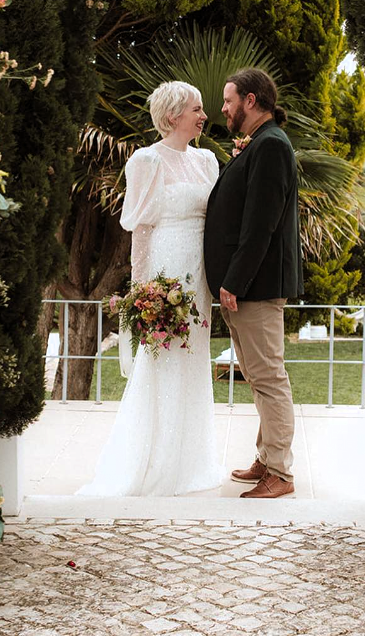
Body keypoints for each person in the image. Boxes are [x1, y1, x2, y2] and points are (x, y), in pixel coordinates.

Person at [76, 81, 223, 497]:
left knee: (193, 356)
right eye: (196, 108)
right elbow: (140, 227)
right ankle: (154, 461)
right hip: (166, 263)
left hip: (200, 272)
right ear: (174, 115)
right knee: (162, 356)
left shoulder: (208, 160)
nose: (203, 115)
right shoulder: (146, 160)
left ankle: (191, 461)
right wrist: (142, 288)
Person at [204, 68, 303, 499]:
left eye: (228, 101)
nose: (222, 109)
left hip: (256, 285)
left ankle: (280, 472)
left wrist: (235, 281)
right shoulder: (260, 144)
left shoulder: (272, 147)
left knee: (268, 376)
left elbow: (260, 224)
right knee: (257, 375)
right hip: (246, 286)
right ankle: (266, 458)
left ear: (250, 100)